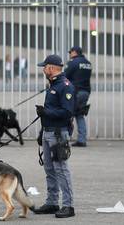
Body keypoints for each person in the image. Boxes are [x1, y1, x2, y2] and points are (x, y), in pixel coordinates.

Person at [33, 54, 76, 218]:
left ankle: (68, 205)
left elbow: (67, 113)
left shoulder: (65, 86)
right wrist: (41, 131)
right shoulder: (53, 85)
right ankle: (52, 202)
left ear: (51, 68)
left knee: (61, 170)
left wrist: (46, 112)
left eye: (44, 67)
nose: (43, 69)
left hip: (58, 134)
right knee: (49, 169)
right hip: (48, 131)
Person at [64, 46, 92, 147]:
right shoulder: (87, 63)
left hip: (75, 92)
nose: (70, 54)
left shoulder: (73, 62)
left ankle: (64, 138)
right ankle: (82, 139)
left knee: (67, 113)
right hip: (86, 92)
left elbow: (64, 76)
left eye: (70, 52)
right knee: (79, 115)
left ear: (75, 52)